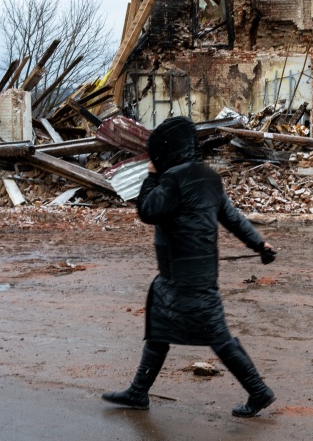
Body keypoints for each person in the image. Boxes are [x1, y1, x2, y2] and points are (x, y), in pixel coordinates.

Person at [103, 116, 278, 418]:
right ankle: (138, 392)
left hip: (187, 278)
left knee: (219, 338)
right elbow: (232, 217)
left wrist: (152, 176)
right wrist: (258, 244)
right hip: (180, 276)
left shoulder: (172, 178)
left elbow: (148, 211)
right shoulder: (208, 176)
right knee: (158, 330)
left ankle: (258, 391)